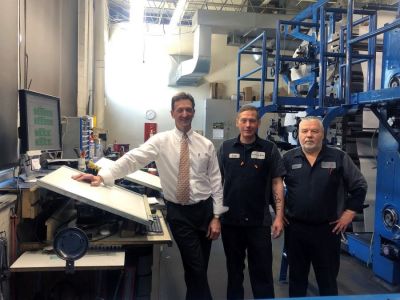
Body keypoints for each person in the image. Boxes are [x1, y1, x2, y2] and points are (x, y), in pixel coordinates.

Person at [73, 92, 228, 300]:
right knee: (196, 266)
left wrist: (216, 216)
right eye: (180, 110)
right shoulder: (160, 141)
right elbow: (133, 159)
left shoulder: (206, 144)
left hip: (205, 211)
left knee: (197, 269)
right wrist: (103, 176)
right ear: (172, 113)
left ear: (194, 113)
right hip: (179, 213)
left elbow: (216, 182)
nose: (184, 114)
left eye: (188, 110)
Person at [282, 116, 367, 297]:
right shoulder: (288, 158)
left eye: (315, 131)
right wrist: (278, 213)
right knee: (297, 280)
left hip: (328, 231)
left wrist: (350, 212)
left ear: (323, 134)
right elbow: (273, 186)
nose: (309, 135)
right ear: (298, 134)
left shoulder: (339, 157)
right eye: (305, 131)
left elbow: (360, 185)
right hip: (296, 230)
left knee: (327, 280)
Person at [218, 105, 286, 299]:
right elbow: (216, 183)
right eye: (244, 120)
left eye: (252, 121)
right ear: (237, 122)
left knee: (262, 273)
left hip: (259, 222)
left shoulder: (269, 148)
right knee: (234, 273)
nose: (248, 125)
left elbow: (277, 182)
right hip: (231, 222)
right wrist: (215, 216)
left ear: (258, 123)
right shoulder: (225, 147)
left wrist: (279, 217)